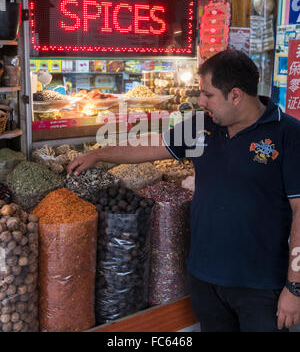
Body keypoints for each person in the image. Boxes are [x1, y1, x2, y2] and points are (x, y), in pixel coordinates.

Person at [67, 50, 300, 332]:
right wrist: (100, 154)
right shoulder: (202, 127)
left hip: (261, 287)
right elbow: (152, 146)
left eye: (208, 94)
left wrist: (294, 287)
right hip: (204, 280)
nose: (200, 101)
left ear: (236, 95)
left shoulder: (288, 134)